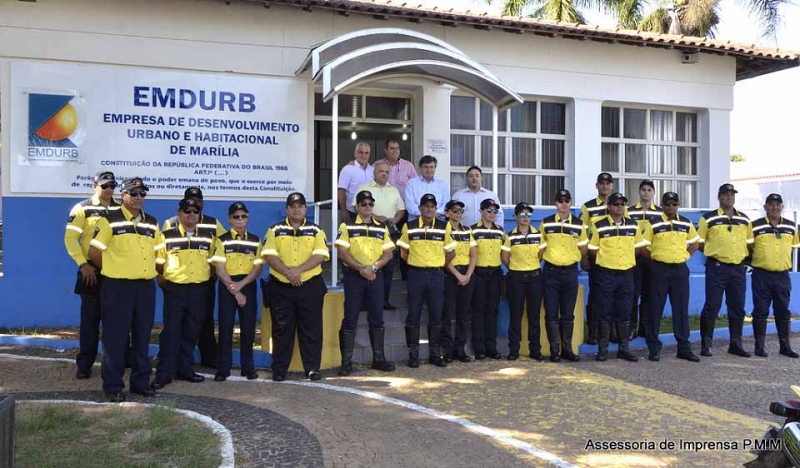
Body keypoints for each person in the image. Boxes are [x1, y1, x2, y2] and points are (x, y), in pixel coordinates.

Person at [88, 177, 159, 402]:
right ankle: (113, 386)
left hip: (145, 287)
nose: (138, 197)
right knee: (115, 338)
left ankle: (140, 383)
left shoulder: (151, 222)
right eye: (133, 193)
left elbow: (158, 253)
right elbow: (94, 252)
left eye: (142, 194)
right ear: (123, 195)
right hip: (117, 287)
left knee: (142, 336)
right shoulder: (109, 220)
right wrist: (114, 269)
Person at [262, 192, 329, 381]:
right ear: (287, 209)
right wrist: (288, 273)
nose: (297, 209)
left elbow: (320, 255)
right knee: (281, 330)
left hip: (310, 286)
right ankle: (279, 370)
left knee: (312, 329)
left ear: (305, 209)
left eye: (300, 206)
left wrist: (297, 271)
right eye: (293, 206)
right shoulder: (274, 230)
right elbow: (269, 255)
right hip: (281, 287)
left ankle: (312, 368)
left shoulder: (316, 230)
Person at [151, 198, 215, 389]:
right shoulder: (166, 236)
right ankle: (164, 373)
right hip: (175, 289)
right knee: (171, 332)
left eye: (195, 211)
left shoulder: (208, 237)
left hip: (199, 290)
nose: (191, 214)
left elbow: (213, 262)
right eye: (187, 211)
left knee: (191, 331)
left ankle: (185, 369)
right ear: (179, 213)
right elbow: (158, 263)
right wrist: (166, 278)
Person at [64, 170, 121, 380]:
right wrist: (83, 265)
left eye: (112, 186)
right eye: (104, 185)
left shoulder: (121, 209)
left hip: (116, 271)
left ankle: (118, 361)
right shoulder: (82, 209)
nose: (109, 189)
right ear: (94, 186)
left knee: (117, 320)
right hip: (91, 271)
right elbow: (70, 239)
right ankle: (85, 364)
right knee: (90, 321)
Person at [334, 190, 397, 376]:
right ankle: (346, 362)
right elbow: (342, 252)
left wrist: (373, 268)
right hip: (355, 277)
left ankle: (379, 359)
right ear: (357, 207)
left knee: (377, 317)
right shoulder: (347, 226)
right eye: (363, 204)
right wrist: (361, 268)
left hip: (375, 276)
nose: (367, 207)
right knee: (350, 318)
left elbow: (388, 254)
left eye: (370, 204)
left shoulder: (382, 228)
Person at [163, 187, 225, 369]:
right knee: (174, 325)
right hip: (177, 282)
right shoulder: (171, 223)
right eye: (189, 202)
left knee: (203, 321)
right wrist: (162, 276)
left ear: (202, 203)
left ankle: (208, 357)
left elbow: (223, 245)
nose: (193, 206)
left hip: (204, 281)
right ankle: (169, 362)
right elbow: (161, 252)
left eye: (197, 201)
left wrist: (214, 271)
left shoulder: (213, 223)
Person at [587, 192, 649, 362]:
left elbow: (638, 248)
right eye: (616, 204)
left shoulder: (633, 225)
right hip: (606, 275)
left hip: (627, 275)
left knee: (624, 312)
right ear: (609, 207)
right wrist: (607, 261)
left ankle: (624, 349)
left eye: (622, 204)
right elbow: (592, 250)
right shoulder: (599, 225)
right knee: (605, 313)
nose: (619, 207)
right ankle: (603, 350)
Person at [396, 193, 456, 368]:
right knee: (413, 315)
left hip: (436, 275)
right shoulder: (410, 226)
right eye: (426, 206)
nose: (429, 209)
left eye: (432, 206)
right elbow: (403, 253)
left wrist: (438, 265)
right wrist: (417, 263)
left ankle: (434, 354)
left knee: (436, 315)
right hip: (416, 275)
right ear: (420, 208)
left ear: (435, 209)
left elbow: (451, 252)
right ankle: (413, 355)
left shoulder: (444, 226)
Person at [697, 183, 754, 358]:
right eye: (725, 194)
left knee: (737, 307)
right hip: (717, 268)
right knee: (712, 306)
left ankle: (735, 344)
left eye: (732, 194)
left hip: (738, 269)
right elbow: (699, 242)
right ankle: (706, 344)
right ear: (719, 197)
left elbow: (750, 243)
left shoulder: (744, 219)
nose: (729, 197)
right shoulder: (708, 218)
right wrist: (715, 251)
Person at [643, 192, 701, 362]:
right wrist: (656, 259)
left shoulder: (686, 222)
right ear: (662, 205)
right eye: (667, 204)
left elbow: (695, 243)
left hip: (680, 271)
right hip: (659, 271)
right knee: (655, 310)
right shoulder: (653, 223)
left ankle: (683, 348)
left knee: (681, 310)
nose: (671, 207)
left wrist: (685, 256)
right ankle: (654, 348)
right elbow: (643, 247)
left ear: (678, 205)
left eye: (674, 204)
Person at [211, 202, 264, 381]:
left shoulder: (255, 240)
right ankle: (223, 368)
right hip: (228, 285)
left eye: (244, 216)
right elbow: (219, 268)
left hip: (247, 285)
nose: (240, 220)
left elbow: (257, 268)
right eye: (236, 217)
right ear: (229, 219)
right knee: (225, 327)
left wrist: (241, 286)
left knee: (248, 328)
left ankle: (248, 368)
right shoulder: (222, 240)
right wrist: (235, 290)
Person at [749, 193, 800, 358]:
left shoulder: (791, 226)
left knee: (783, 311)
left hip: (782, 276)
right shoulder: (755, 226)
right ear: (765, 207)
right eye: (771, 204)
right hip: (761, 275)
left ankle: (785, 346)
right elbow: (748, 247)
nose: (775, 207)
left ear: (782, 207)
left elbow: (793, 246)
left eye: (778, 204)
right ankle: (759, 347)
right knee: (761, 310)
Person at [539, 189, 586, 362]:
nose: (564, 204)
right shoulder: (546, 223)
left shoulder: (579, 224)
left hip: (570, 272)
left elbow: (583, 249)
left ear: (570, 203)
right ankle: (554, 351)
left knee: (568, 313)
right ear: (555, 203)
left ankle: (567, 349)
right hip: (551, 272)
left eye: (567, 201)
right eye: (560, 201)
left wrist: (572, 260)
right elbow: (541, 248)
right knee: (551, 312)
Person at [357, 160, 407, 310]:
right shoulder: (364, 188)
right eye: (381, 171)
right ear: (374, 173)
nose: (384, 174)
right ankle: (366, 302)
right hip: (369, 231)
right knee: (369, 263)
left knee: (388, 267)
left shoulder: (394, 190)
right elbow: (356, 206)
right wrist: (376, 217)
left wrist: (394, 220)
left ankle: (384, 300)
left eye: (386, 172)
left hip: (388, 232)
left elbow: (401, 210)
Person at [501, 202, 544, 361]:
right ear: (515, 217)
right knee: (516, 315)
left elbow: (540, 255)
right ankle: (514, 349)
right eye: (522, 214)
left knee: (534, 316)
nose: (526, 217)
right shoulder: (510, 236)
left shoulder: (538, 235)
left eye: (528, 214)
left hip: (534, 278)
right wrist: (517, 269)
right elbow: (505, 258)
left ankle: (535, 350)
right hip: (516, 279)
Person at [580, 172, 615, 344]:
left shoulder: (619, 204)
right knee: (595, 295)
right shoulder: (588, 207)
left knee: (614, 295)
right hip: (595, 256)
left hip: (615, 258)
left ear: (612, 186)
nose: (605, 186)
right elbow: (582, 233)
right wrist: (584, 257)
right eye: (602, 183)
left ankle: (611, 332)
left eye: (608, 183)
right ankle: (593, 332)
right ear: (597, 185)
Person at [470, 198, 507, 360]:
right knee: (478, 310)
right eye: (488, 210)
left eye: (494, 211)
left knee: (492, 310)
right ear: (481, 211)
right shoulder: (472, 230)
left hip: (495, 274)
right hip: (478, 273)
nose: (492, 213)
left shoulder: (500, 231)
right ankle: (478, 348)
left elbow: (505, 254)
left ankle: (491, 347)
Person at [626, 179, 662, 340]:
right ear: (639, 192)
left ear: (653, 193)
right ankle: (631, 327)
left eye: (649, 190)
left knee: (649, 294)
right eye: (643, 190)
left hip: (652, 259)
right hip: (634, 257)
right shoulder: (629, 211)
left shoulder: (660, 212)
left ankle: (644, 327)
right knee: (633, 294)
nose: (646, 192)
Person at [442, 199, 477, 363]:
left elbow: (474, 255)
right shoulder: (443, 230)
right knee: (447, 313)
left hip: (467, 275)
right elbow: (443, 257)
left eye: (461, 211)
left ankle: (460, 348)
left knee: (463, 314)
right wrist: (458, 275)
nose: (458, 214)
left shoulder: (467, 231)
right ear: (447, 212)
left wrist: (467, 275)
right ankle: (447, 350)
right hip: (450, 274)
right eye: (455, 210)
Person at [404, 155, 449, 222]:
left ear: (435, 168)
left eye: (431, 167)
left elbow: (446, 204)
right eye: (426, 167)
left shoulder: (442, 184)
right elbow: (410, 205)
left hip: (438, 221)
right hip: (416, 222)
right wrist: (426, 215)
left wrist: (435, 214)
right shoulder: (411, 183)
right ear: (420, 168)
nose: (429, 170)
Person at [338, 142, 374, 223]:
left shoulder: (373, 170)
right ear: (355, 153)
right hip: (351, 213)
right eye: (361, 152)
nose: (363, 155)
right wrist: (343, 211)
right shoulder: (347, 169)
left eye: (366, 153)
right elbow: (341, 191)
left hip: (370, 213)